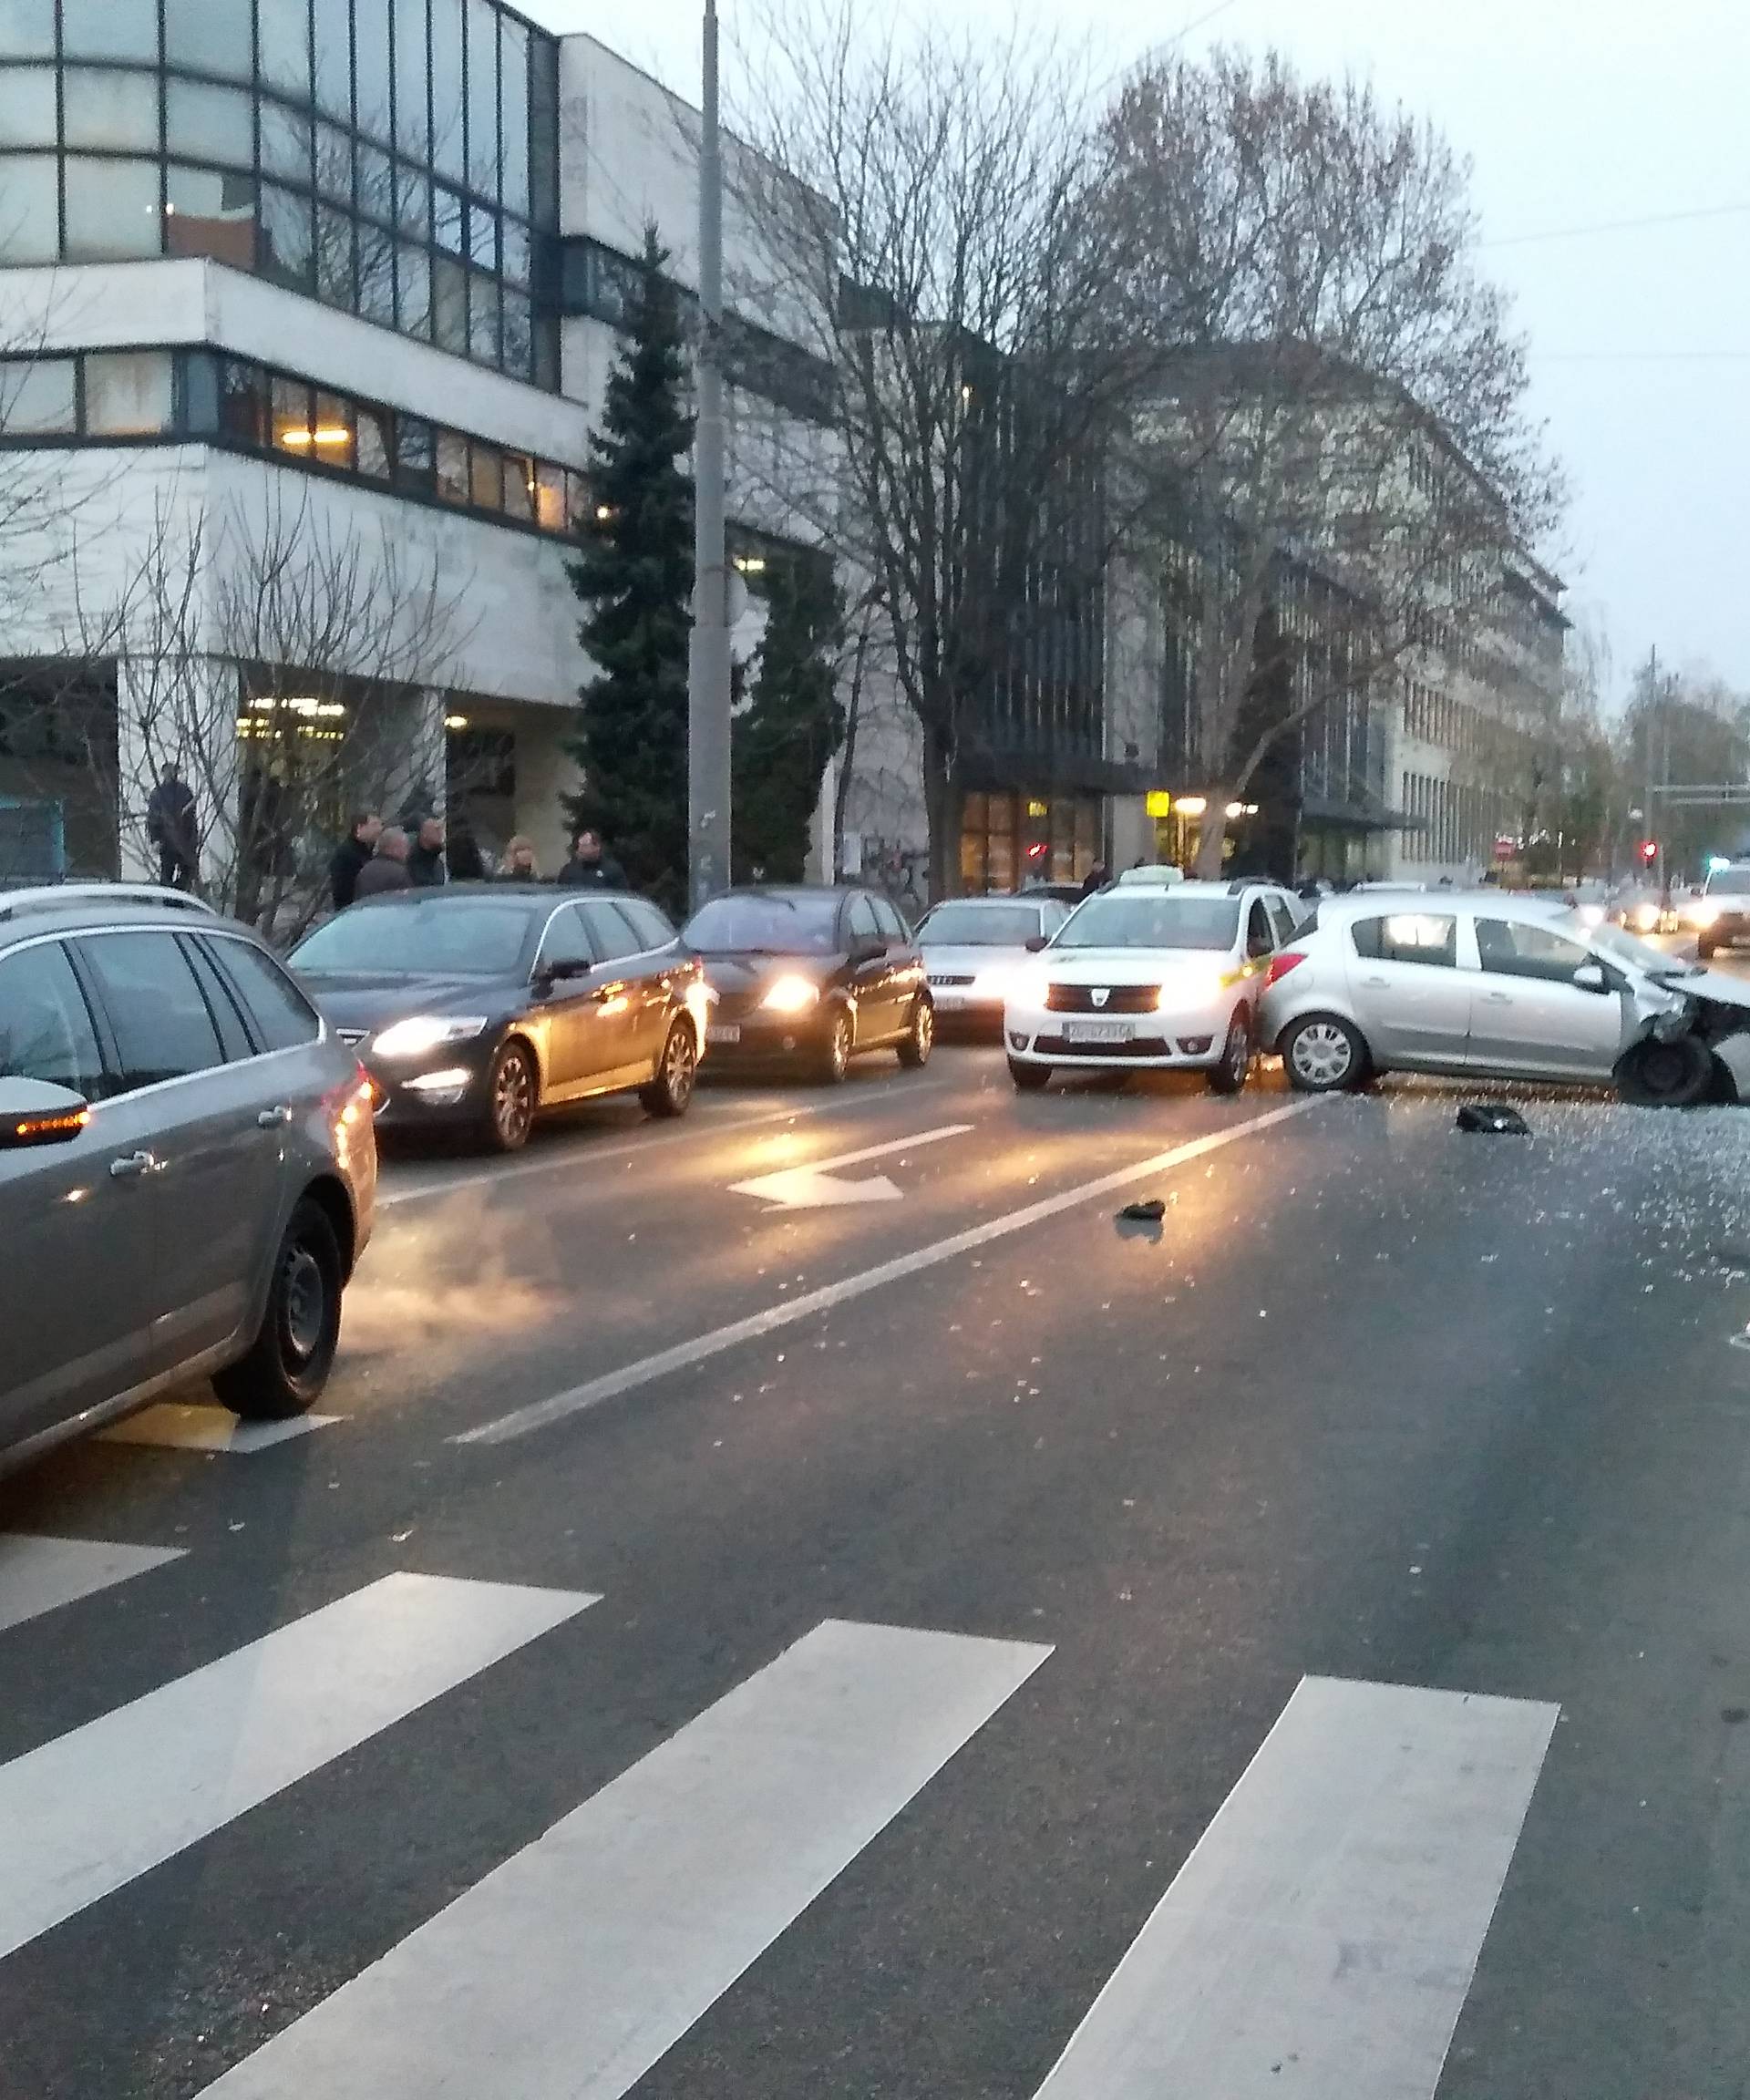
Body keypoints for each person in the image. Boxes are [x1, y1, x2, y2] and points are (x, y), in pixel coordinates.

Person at [145, 762, 199, 890]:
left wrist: (192, 840)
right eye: (167, 771)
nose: (170, 774)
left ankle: (179, 894)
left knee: (187, 872)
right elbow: (152, 818)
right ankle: (168, 900)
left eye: (172, 771)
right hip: (166, 841)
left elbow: (191, 819)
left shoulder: (184, 791)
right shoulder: (157, 793)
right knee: (166, 875)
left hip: (183, 840)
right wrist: (156, 839)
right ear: (163, 773)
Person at [329, 810, 381, 911]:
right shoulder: (346, 854)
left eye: (380, 824)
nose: (379, 829)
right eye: (374, 825)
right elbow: (343, 890)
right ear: (360, 828)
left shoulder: (368, 850)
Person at [556, 828, 627, 890]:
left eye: (584, 846)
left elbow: (621, 896)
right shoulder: (569, 870)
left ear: (597, 847)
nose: (580, 850)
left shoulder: (612, 870)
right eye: (579, 846)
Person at [355, 826, 413, 898]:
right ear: (394, 848)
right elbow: (407, 903)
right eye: (405, 846)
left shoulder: (365, 870)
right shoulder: (399, 873)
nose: (407, 851)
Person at [407, 814, 448, 888]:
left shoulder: (438, 864)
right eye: (437, 829)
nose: (441, 834)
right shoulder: (412, 863)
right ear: (424, 834)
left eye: (441, 830)